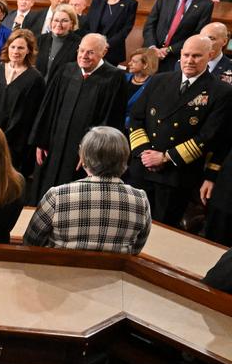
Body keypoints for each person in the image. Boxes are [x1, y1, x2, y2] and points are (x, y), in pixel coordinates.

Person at [128, 35, 231, 226]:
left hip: (175, 176)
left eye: (197, 56)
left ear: (210, 55)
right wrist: (144, 153)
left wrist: (165, 157)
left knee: (160, 234)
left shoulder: (220, 91)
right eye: (186, 55)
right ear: (180, 55)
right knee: (129, 226)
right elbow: (136, 118)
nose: (190, 61)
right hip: (142, 169)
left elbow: (208, 137)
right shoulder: (159, 80)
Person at [29, 33, 129, 202]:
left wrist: (91, 152)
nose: (83, 56)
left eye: (90, 52)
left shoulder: (114, 78)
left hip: (84, 153)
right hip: (53, 145)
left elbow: (110, 123)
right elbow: (48, 107)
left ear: (103, 52)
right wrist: (41, 140)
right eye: (81, 50)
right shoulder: (66, 70)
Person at [24, 126, 151, 253]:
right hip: (113, 272)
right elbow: (135, 250)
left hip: (60, 271)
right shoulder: (141, 199)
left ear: (83, 158)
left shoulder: (57, 196)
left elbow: (30, 243)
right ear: (124, 158)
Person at [0, 29, 44, 174]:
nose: (16, 51)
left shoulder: (35, 78)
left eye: (21, 47)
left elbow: (29, 114)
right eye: (13, 47)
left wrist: (4, 137)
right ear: (7, 47)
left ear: (29, 50)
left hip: (15, 143)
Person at [143, 0, 215, 71]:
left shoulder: (205, 4)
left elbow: (198, 34)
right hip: (152, 51)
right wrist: (152, 47)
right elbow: (150, 23)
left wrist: (169, 50)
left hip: (177, 56)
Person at [84, 0, 137, 66]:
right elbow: (88, 24)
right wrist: (93, 43)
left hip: (112, 51)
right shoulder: (97, 0)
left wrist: (105, 45)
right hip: (91, 49)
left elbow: (125, 30)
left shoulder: (130, 4)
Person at [35, 4, 82, 81]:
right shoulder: (40, 40)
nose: (59, 24)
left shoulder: (78, 44)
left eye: (64, 21)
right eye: (56, 20)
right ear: (51, 22)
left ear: (72, 24)